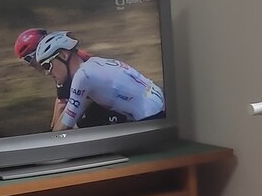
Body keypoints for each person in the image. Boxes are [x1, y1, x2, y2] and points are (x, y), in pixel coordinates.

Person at [28, 31, 165, 130]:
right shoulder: (94, 63)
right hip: (158, 104)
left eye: (47, 65)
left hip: (150, 117)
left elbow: (65, 124)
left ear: (64, 55)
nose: (47, 73)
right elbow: (74, 110)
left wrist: (46, 145)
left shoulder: (82, 76)